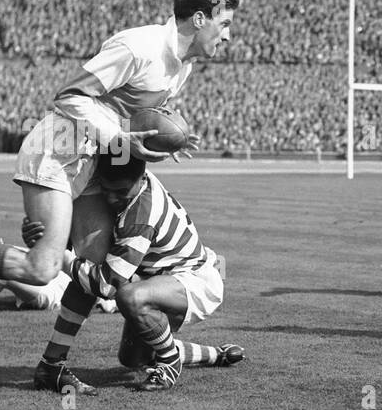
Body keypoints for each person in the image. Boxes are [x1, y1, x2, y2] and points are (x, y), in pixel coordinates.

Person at [0, 0, 237, 393]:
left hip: (90, 162)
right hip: (57, 150)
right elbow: (69, 95)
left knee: (94, 272)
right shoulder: (140, 47)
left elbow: (135, 119)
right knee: (44, 267)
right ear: (199, 19)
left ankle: (51, 366)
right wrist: (118, 138)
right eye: (224, 23)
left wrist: (165, 142)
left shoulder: (181, 67)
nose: (227, 34)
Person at [31, 150, 240, 394]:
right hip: (157, 276)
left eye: (120, 192)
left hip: (194, 280)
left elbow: (106, 286)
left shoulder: (141, 215)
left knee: (127, 295)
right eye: (106, 189)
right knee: (133, 358)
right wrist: (46, 237)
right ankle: (216, 354)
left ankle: (170, 364)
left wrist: (59, 255)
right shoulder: (133, 180)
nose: (112, 198)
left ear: (142, 179)